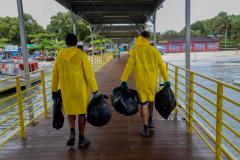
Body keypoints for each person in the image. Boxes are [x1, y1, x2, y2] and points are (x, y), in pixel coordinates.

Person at [51, 33, 100, 147]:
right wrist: (95, 90)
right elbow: (89, 74)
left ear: (66, 43)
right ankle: (82, 138)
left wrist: (54, 90)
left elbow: (55, 75)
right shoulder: (81, 55)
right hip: (80, 90)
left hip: (66, 90)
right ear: (76, 42)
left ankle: (72, 133)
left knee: (71, 112)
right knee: (82, 113)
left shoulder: (60, 56)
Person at [121, 31, 170, 137]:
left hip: (141, 81)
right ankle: (151, 119)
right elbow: (161, 66)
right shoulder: (154, 50)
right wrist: (166, 80)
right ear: (148, 39)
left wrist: (124, 80)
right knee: (151, 99)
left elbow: (129, 65)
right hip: (152, 80)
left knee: (143, 103)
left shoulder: (135, 50)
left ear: (140, 38)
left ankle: (145, 127)